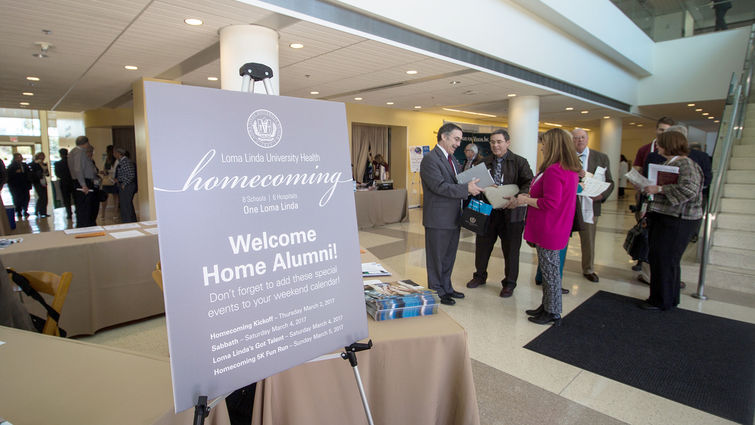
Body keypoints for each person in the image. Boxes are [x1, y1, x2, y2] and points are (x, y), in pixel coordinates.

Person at [517, 128, 580, 325]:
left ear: (553, 145)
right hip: (556, 226)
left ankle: (552, 311)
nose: (542, 147)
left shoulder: (555, 170)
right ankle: (546, 305)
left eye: (544, 143)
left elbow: (550, 203)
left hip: (550, 228)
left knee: (550, 273)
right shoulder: (567, 168)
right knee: (548, 270)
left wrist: (527, 200)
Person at [464, 129, 533, 298]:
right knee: (482, 246)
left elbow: (528, 183)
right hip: (487, 212)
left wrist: (518, 198)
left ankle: (509, 283)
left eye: (499, 142)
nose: (495, 145)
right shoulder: (483, 163)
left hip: (511, 213)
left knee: (511, 250)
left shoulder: (519, 162)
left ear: (508, 143)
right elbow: (473, 185)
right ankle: (479, 276)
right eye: (492, 142)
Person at [639, 131, 703, 311]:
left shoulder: (686, 164)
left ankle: (661, 300)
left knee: (665, 259)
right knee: (662, 258)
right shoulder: (672, 162)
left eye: (659, 143)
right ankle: (668, 297)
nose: (657, 147)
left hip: (677, 220)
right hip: (666, 217)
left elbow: (689, 190)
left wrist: (659, 188)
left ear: (669, 144)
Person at [421, 123, 483, 306]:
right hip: (438, 219)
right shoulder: (430, 159)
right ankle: (437, 291)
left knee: (449, 257)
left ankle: (447, 287)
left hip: (454, 217)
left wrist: (475, 183)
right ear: (443, 137)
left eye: (460, 140)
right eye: (456, 139)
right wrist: (466, 188)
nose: (458, 144)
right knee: (436, 258)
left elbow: (457, 181)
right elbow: (439, 186)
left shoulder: (452, 159)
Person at [572, 129, 613, 283]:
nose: (579, 140)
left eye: (582, 137)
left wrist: (601, 196)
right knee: (562, 238)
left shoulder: (601, 158)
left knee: (588, 239)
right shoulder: (566, 157)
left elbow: (610, 181)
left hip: (590, 204)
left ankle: (588, 269)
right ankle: (558, 267)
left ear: (587, 139)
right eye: (576, 138)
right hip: (570, 204)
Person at [68, 136, 98, 228]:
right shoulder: (79, 152)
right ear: (86, 143)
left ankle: (85, 225)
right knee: (84, 207)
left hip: (81, 181)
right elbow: (78, 169)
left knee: (83, 207)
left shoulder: (74, 151)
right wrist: (83, 185)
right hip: (83, 181)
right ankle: (84, 227)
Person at [114, 147, 137, 223]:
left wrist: (124, 183)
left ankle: (129, 221)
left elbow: (131, 175)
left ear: (119, 154)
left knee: (126, 205)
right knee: (125, 204)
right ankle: (129, 221)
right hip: (124, 185)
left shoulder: (126, 162)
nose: (114, 154)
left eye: (115, 153)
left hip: (127, 186)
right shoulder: (121, 161)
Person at [7, 153, 32, 219]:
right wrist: (15, 172)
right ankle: (18, 211)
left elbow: (29, 173)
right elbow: (8, 176)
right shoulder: (11, 166)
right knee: (18, 199)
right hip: (16, 186)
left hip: (25, 185)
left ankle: (25, 210)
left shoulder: (24, 165)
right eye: (18, 157)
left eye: (21, 157)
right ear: (15, 158)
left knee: (26, 198)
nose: (20, 158)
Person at [99, 145, 118, 221]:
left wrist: (104, 172)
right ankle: (115, 215)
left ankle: (103, 215)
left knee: (104, 198)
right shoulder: (116, 160)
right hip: (113, 181)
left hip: (107, 181)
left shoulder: (107, 160)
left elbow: (105, 170)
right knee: (116, 198)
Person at [54, 148, 75, 219]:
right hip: (73, 182)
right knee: (75, 197)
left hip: (64, 182)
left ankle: (69, 213)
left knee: (66, 199)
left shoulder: (58, 164)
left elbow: (57, 174)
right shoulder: (72, 162)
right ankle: (77, 210)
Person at [30, 152, 50, 217]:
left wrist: (45, 169)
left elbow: (47, 174)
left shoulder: (44, 164)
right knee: (41, 196)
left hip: (44, 181)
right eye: (41, 156)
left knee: (45, 197)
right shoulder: (34, 164)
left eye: (43, 156)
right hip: (37, 182)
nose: (42, 157)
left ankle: (43, 212)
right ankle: (38, 211)